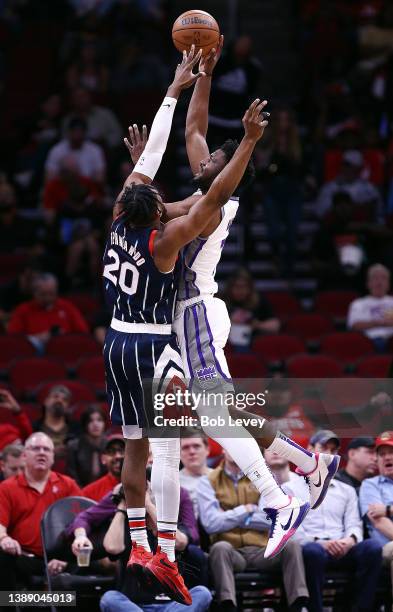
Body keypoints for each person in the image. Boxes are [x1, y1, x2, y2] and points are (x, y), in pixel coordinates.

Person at [103, 46, 270, 605]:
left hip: (119, 342)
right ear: (160, 210)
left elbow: (157, 161)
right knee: (170, 445)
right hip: (157, 342)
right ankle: (165, 554)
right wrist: (244, 136)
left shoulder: (120, 219)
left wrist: (174, 90)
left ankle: (139, 545)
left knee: (136, 450)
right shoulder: (165, 237)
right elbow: (209, 184)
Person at [171, 41, 339, 560]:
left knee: (219, 411)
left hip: (197, 310)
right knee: (219, 417)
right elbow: (195, 131)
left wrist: (246, 142)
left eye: (217, 162)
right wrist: (205, 74)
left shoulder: (216, 203)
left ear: (225, 173)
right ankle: (309, 467)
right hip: (184, 316)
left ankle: (281, 497)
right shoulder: (203, 188)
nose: (205, 159)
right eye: (209, 161)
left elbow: (204, 175)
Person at [198, 449, 309, 612]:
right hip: (232, 552)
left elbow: (273, 519)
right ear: (223, 449)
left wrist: (231, 516)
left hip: (263, 551)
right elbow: (211, 523)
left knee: (291, 545)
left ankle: (297, 604)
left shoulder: (264, 477)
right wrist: (247, 509)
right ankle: (228, 606)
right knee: (220, 548)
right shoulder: (207, 480)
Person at [287, 433, 383, 612]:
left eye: (333, 450)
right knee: (312, 552)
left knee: (373, 548)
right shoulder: (291, 489)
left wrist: (350, 540)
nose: (329, 454)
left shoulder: (346, 490)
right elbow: (292, 530)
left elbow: (354, 524)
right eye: (324, 448)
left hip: (342, 547)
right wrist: (321, 543)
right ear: (309, 450)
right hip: (313, 548)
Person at [99, 484, 212, 612]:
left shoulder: (175, 526)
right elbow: (112, 548)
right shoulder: (128, 527)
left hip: (172, 606)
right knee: (109, 598)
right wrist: (121, 506)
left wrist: (148, 504)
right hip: (135, 606)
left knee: (202, 593)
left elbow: (180, 543)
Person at [0, 432, 81, 590]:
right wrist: (4, 539)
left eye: (46, 449)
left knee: (87, 556)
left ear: (53, 457)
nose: (41, 452)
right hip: (24, 557)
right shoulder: (6, 488)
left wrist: (66, 558)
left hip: (63, 557)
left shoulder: (68, 485)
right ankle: (9, 605)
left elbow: (84, 522)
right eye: (35, 448)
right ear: (24, 456)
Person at [7, 272, 89, 352]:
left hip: (64, 351)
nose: (47, 298)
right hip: (34, 354)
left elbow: (83, 334)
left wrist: (64, 338)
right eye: (43, 294)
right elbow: (14, 340)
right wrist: (37, 338)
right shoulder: (23, 310)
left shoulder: (67, 307)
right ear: (34, 293)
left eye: (51, 294)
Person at [359, 431, 393, 600]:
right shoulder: (370, 485)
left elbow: (384, 514)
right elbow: (380, 523)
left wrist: (388, 509)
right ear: (377, 460)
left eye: (391, 452)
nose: (387, 457)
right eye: (382, 454)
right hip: (386, 548)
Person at [222, 268, 280, 350]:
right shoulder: (221, 303)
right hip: (227, 344)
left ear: (250, 288)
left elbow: (275, 325)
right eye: (237, 287)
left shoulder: (259, 301)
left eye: (244, 287)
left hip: (254, 343)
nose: (240, 291)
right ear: (230, 287)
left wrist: (257, 325)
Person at [316, 149, 383, 220]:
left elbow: (378, 212)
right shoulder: (329, 187)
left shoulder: (369, 188)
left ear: (358, 169)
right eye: (345, 165)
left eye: (350, 166)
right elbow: (320, 212)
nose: (347, 169)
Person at [347, 263, 393, 351]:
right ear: (368, 283)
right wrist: (380, 323)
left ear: (388, 284)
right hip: (367, 342)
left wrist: (372, 323)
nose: (379, 282)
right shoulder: (358, 303)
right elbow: (355, 325)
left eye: (383, 278)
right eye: (375, 278)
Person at [45, 117, 106, 182]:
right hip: (63, 187)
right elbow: (49, 178)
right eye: (74, 131)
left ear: (85, 132)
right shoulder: (57, 150)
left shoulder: (95, 150)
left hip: (87, 187)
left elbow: (100, 178)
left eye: (80, 131)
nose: (77, 135)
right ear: (68, 132)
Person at [33, 384, 80, 462]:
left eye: (65, 400)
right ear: (46, 401)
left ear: (68, 406)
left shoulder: (77, 430)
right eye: (55, 397)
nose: (60, 401)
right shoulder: (34, 428)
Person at [66, 404, 108, 486]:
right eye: (90, 421)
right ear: (85, 424)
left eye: (99, 420)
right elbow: (72, 477)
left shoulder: (110, 446)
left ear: (104, 423)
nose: (95, 424)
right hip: (81, 493)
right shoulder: (74, 446)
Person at [81, 435, 125, 501]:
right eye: (111, 452)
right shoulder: (89, 493)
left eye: (122, 451)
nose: (118, 456)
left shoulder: (144, 485)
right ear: (103, 459)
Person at [179, 435, 211, 518]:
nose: (192, 452)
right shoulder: (172, 483)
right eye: (185, 447)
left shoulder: (223, 477)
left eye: (196, 446)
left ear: (207, 449)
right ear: (178, 453)